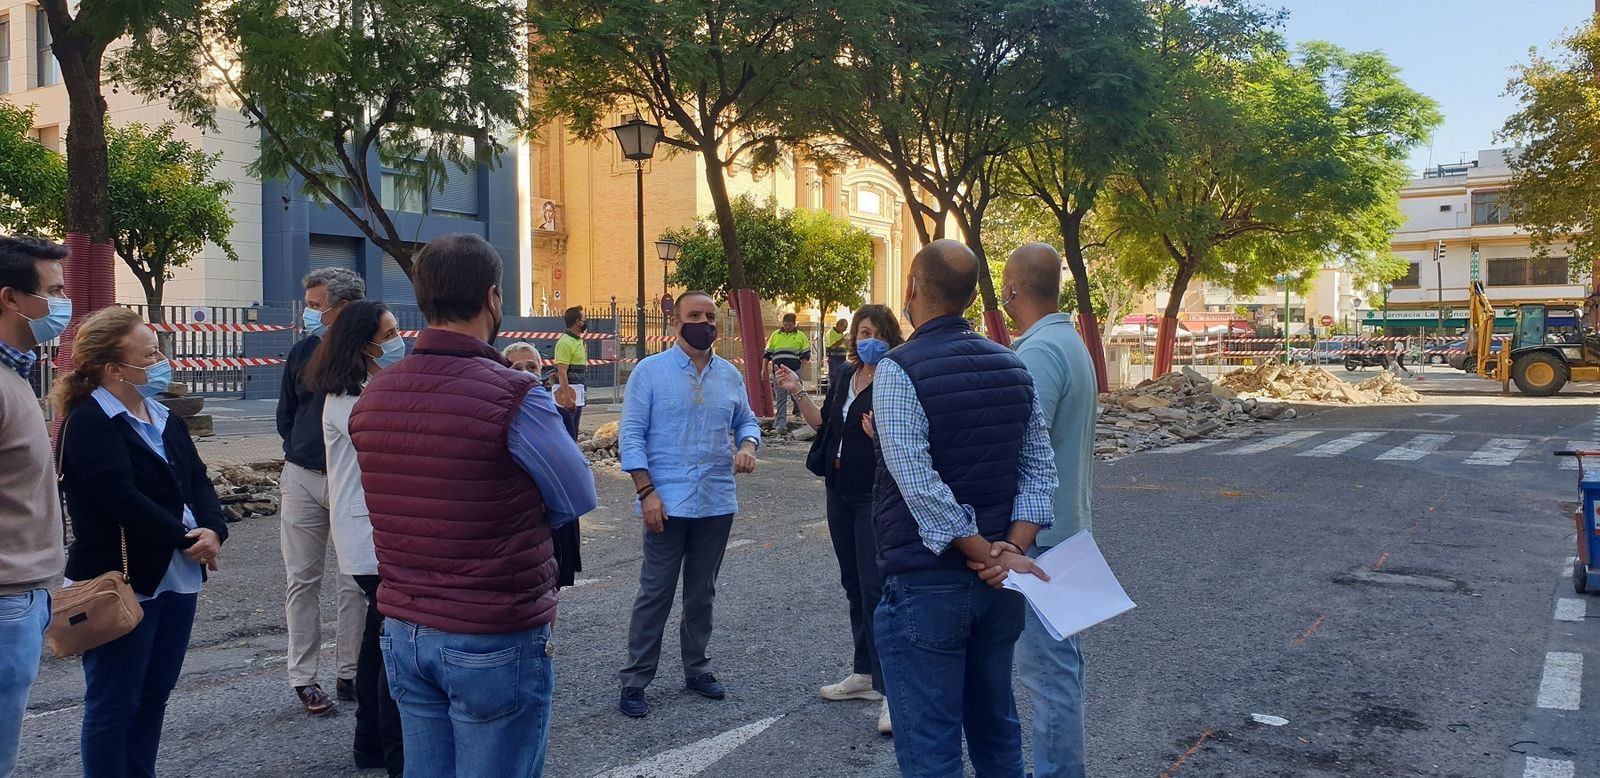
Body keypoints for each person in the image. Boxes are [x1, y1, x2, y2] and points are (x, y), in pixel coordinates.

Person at [349, 233, 596, 777]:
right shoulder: (514, 394)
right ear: (492, 298)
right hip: (491, 627)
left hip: (405, 623)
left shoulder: (376, 394)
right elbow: (577, 493)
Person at [871, 239, 1056, 777]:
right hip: (1000, 586)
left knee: (931, 747)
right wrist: (1010, 552)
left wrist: (979, 550)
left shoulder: (899, 369)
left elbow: (918, 481)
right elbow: (1039, 470)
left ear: (911, 288)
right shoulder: (1012, 365)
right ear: (973, 295)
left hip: (928, 581)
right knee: (998, 731)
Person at [53, 307, 229, 778]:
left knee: (154, 694)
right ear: (114, 368)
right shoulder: (88, 422)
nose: (160, 361)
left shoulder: (163, 415)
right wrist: (188, 538)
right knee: (115, 701)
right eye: (148, 355)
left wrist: (214, 530)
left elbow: (198, 482)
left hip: (179, 576)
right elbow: (120, 498)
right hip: (122, 580)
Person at [617, 290, 761, 719]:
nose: (705, 322)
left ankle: (696, 669)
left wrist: (749, 444)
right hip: (666, 505)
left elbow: (747, 420)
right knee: (655, 594)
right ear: (676, 322)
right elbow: (632, 436)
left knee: (702, 594)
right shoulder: (650, 372)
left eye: (711, 315)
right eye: (694, 315)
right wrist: (646, 493)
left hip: (716, 502)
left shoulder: (729, 376)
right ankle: (635, 680)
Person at [775, 305, 904, 735]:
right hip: (839, 491)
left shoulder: (895, 378)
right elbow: (824, 426)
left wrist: (878, 434)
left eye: (876, 332)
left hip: (874, 494)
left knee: (876, 589)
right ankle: (864, 674)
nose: (867, 338)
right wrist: (796, 390)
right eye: (863, 331)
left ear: (889, 338)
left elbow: (906, 436)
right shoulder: (847, 376)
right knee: (853, 585)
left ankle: (893, 693)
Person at [1000, 244, 1098, 778]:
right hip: (1066, 527)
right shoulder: (1069, 343)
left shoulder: (1038, 353)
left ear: (1013, 290)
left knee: (1048, 672)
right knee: (1062, 666)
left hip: (1041, 534)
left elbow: (1019, 445)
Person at [306, 300, 405, 777]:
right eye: (388, 335)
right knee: (391, 644)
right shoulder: (351, 399)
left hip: (369, 530)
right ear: (363, 344)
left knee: (377, 638)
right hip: (369, 535)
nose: (397, 341)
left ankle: (369, 740)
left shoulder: (364, 387)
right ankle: (388, 745)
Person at [276, 268, 367, 714]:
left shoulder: (370, 356)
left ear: (345, 309)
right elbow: (286, 415)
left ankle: (350, 672)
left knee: (355, 580)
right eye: (309, 305)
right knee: (302, 580)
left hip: (352, 480)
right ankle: (303, 678)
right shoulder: (300, 353)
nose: (310, 314)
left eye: (317, 306)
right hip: (301, 477)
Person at [0, 236, 67, 778]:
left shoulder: (16, 374)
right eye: (53, 291)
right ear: (11, 299)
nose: (62, 304)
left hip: (25, 595)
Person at [763, 312, 811, 434]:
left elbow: (806, 355)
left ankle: (798, 414)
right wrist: (763, 369)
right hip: (778, 372)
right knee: (781, 398)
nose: (787, 327)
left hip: (794, 371)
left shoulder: (801, 336)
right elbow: (767, 354)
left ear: (794, 324)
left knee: (797, 395)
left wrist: (801, 368)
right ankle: (781, 425)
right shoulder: (775, 335)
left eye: (790, 325)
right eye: (785, 324)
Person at [553, 306, 587, 439]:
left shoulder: (577, 341)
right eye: (584, 319)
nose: (585, 322)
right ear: (578, 321)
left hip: (577, 392)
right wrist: (567, 397)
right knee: (568, 432)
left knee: (574, 430)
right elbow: (562, 372)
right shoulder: (565, 343)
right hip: (570, 394)